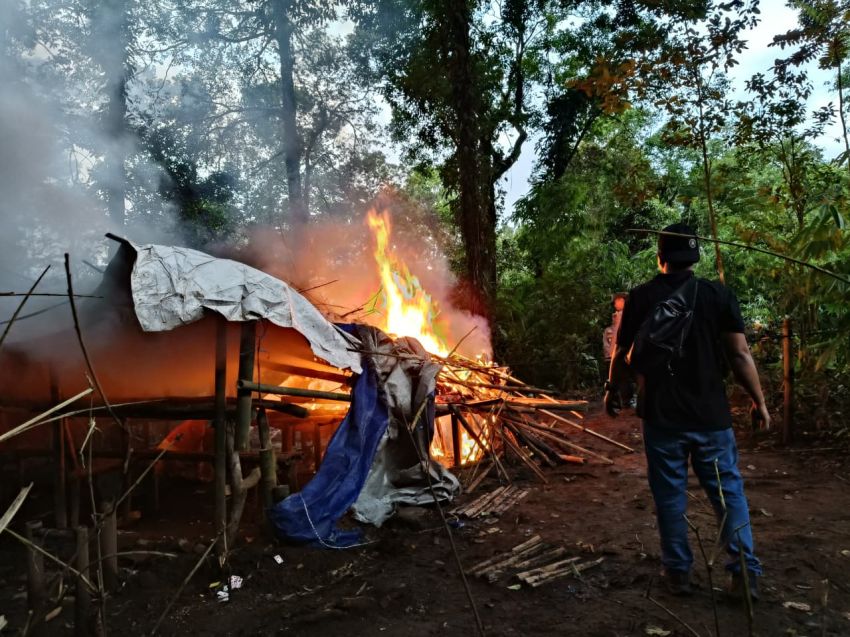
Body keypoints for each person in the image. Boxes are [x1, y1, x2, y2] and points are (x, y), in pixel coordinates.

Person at [604, 222, 771, 599]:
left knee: (669, 496)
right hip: (711, 416)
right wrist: (759, 401)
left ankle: (678, 572)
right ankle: (744, 573)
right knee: (728, 494)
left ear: (661, 257)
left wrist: (613, 388)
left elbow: (622, 354)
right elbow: (740, 354)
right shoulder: (718, 296)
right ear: (695, 257)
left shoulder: (642, 298)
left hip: (663, 417)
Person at [602, 293, 634, 406]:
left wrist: (613, 352)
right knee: (623, 377)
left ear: (621, 300)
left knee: (621, 376)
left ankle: (624, 401)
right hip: (623, 351)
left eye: (615, 302)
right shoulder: (626, 314)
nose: (614, 305)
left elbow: (618, 335)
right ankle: (623, 400)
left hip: (621, 350)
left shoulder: (623, 314)